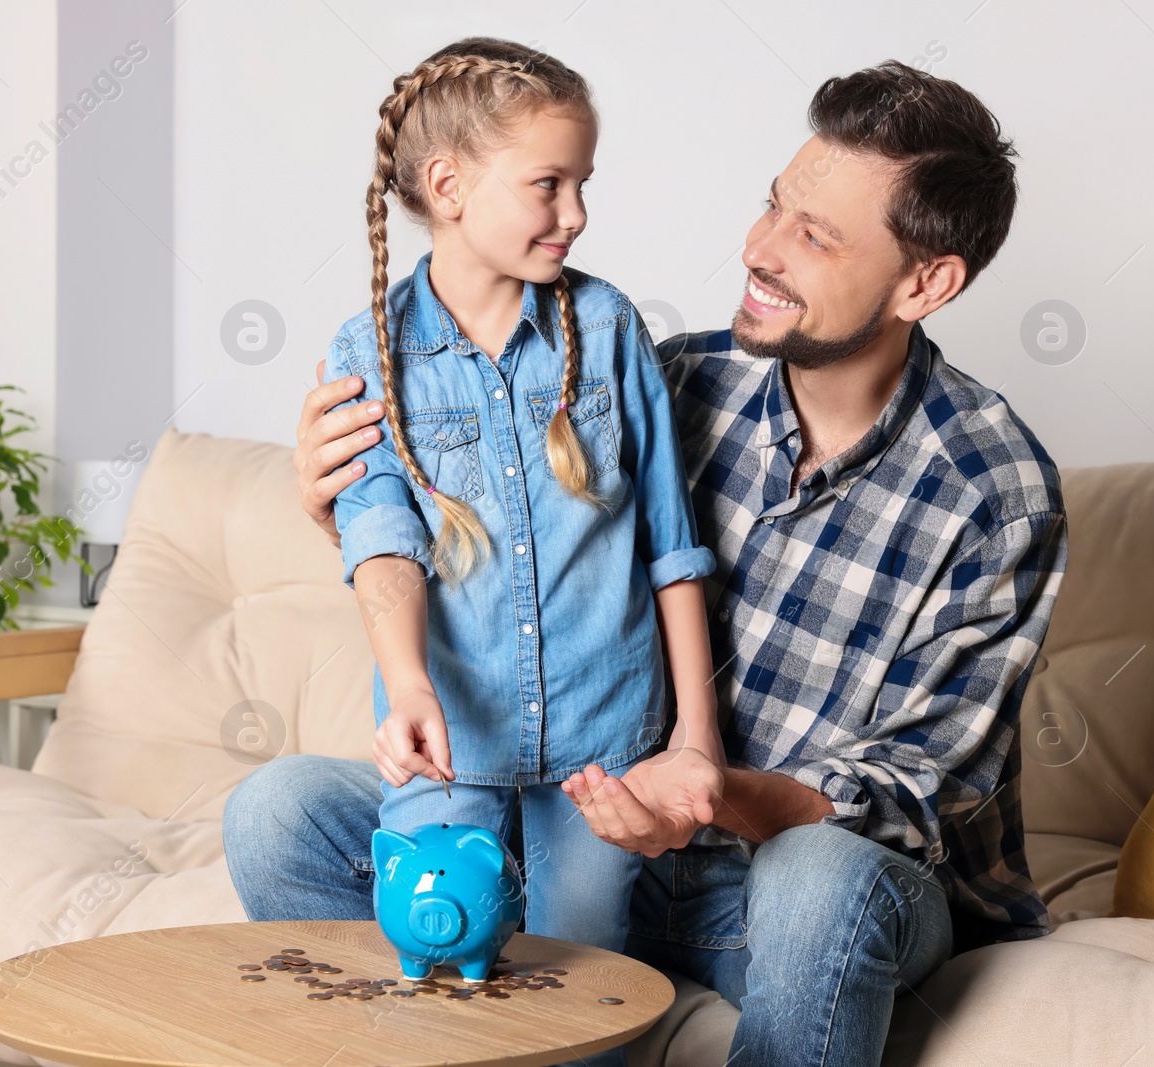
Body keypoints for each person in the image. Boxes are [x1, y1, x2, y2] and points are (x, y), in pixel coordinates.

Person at [225, 57, 1068, 1067]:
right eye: (772, 207)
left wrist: (711, 788)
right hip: (584, 821)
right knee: (282, 813)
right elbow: (500, 557)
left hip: (770, 882)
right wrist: (343, 512)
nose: (758, 248)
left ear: (925, 281)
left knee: (819, 880)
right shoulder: (667, 377)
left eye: (814, 235)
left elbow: (928, 781)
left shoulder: (991, 484)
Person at [296, 36, 719, 1047]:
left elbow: (673, 545)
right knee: (437, 975)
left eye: (581, 183)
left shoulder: (610, 328)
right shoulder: (369, 354)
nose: (574, 212)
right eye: (548, 183)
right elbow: (381, 530)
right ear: (448, 185)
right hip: (452, 744)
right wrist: (406, 684)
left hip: (603, 743)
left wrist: (693, 733)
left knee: (582, 1000)